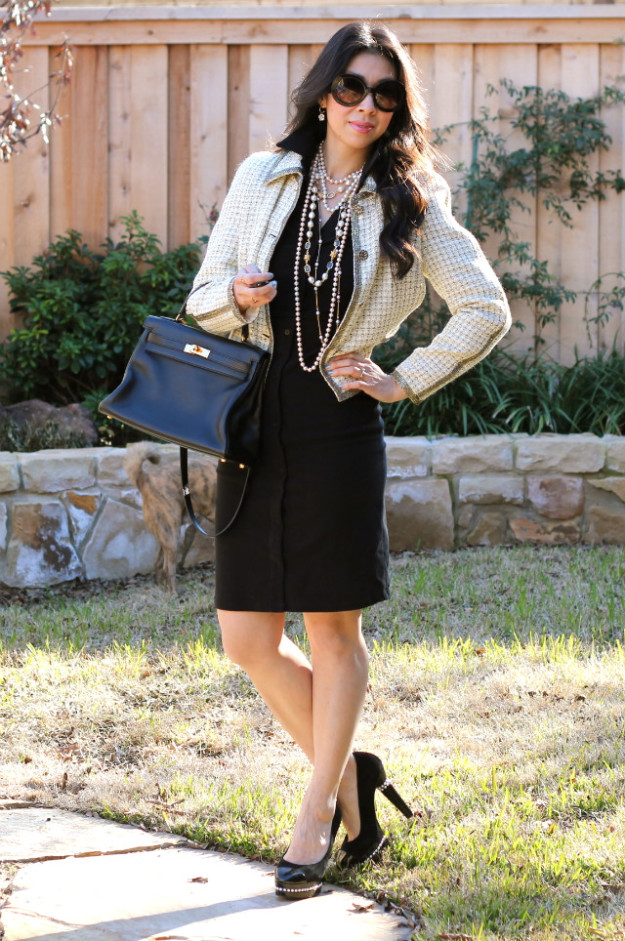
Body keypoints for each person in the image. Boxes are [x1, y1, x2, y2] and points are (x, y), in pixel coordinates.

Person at [187, 20, 511, 899]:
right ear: (324, 92)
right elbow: (202, 298)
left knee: (333, 630)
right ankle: (352, 779)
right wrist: (234, 296)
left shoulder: (411, 197)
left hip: (338, 424)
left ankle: (315, 814)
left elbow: (483, 307)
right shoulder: (263, 176)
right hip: (253, 422)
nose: (366, 105)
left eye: (384, 94)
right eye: (351, 87)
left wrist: (404, 379)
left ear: (397, 108)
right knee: (246, 638)